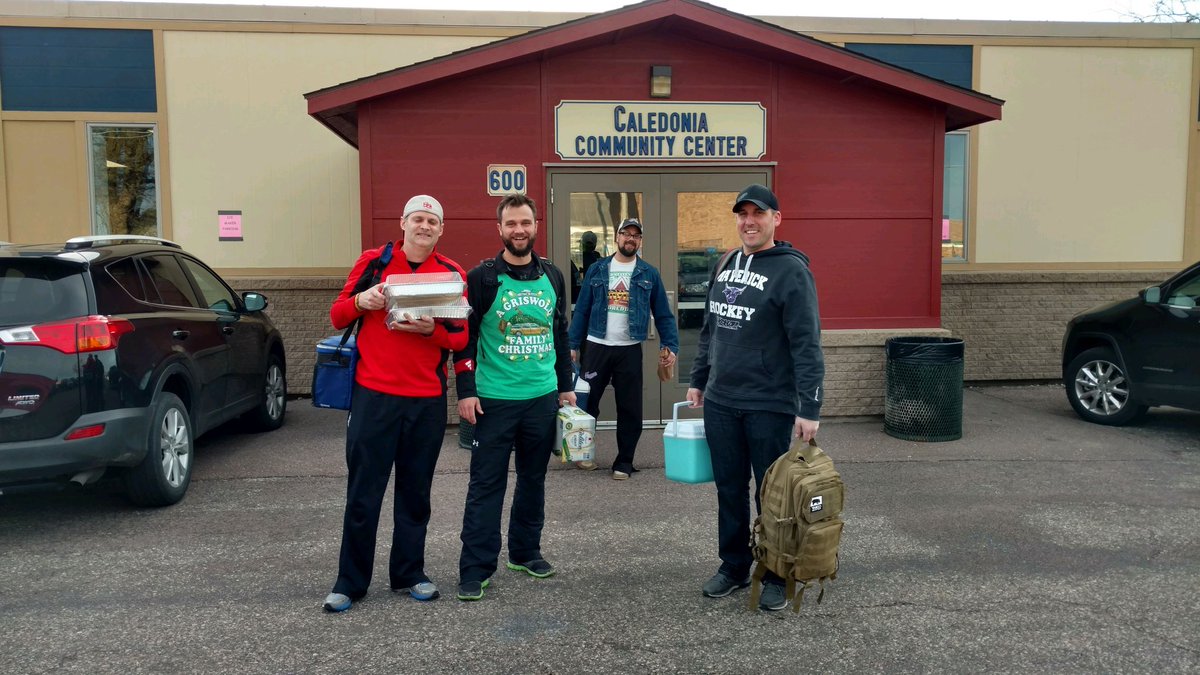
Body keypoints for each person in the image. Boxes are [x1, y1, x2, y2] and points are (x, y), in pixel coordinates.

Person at [322, 195, 468, 613]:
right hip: (374, 395)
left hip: (425, 399)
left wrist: (430, 332)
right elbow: (336, 315)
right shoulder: (372, 263)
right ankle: (351, 582)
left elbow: (459, 338)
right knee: (364, 492)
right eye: (417, 219)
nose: (424, 226)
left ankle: (409, 573)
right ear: (403, 223)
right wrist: (361, 302)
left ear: (441, 230)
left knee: (415, 492)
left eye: (432, 221)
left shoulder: (452, 273)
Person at [685, 184, 825, 612]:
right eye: (743, 214)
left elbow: (806, 343)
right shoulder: (726, 263)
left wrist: (810, 407)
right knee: (729, 489)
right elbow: (712, 327)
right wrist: (699, 378)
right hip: (723, 401)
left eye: (758, 214)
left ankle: (777, 574)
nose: (749, 221)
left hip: (769, 403)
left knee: (773, 497)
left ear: (775, 220)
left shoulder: (791, 271)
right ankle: (733, 566)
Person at [452, 194, 575, 602]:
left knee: (533, 480)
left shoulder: (553, 276)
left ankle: (525, 552)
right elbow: (463, 342)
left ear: (535, 225)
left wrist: (565, 386)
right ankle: (475, 567)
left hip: (541, 399)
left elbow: (559, 334)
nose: (519, 230)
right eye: (511, 224)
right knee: (486, 484)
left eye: (525, 222)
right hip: (493, 400)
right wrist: (466, 392)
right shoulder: (482, 277)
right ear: (500, 229)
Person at [567, 217, 679, 479]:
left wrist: (670, 344)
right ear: (617, 237)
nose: (630, 238)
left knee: (629, 408)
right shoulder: (597, 269)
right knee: (586, 404)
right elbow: (582, 309)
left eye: (635, 235)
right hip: (596, 346)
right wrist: (572, 344)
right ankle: (584, 454)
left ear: (640, 241)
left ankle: (624, 462)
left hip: (629, 349)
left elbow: (663, 314)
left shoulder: (648, 273)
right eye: (626, 233)